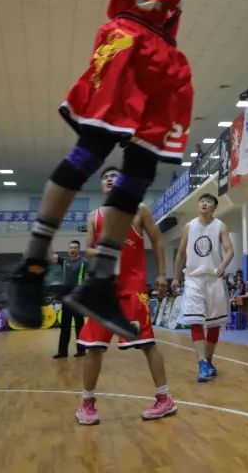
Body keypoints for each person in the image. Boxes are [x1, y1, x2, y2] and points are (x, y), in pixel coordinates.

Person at [5, 0, 217, 339]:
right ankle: (32, 264)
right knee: (92, 150)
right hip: (128, 39)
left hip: (167, 54)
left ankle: (100, 280)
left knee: (142, 170)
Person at [75, 168, 175, 425]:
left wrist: (162, 274)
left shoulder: (140, 210)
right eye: (105, 177)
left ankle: (165, 399)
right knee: (93, 348)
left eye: (115, 176)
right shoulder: (94, 216)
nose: (110, 179)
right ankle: (87, 404)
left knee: (147, 343)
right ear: (101, 185)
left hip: (133, 288)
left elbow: (157, 241)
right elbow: (88, 251)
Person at [173, 193, 233, 382]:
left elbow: (229, 250)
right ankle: (202, 363)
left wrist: (222, 265)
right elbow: (180, 253)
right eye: (202, 201)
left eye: (209, 202)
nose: (205, 204)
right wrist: (175, 277)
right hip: (193, 279)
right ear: (198, 205)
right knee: (196, 321)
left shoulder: (220, 226)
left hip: (214, 279)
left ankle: (208, 360)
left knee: (214, 324)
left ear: (214, 207)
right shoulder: (189, 226)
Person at [52, 239, 88, 359]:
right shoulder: (64, 261)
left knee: (80, 326)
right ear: (69, 250)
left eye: (75, 248)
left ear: (79, 250)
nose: (73, 250)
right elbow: (51, 256)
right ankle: (62, 352)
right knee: (65, 327)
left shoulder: (84, 262)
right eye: (71, 247)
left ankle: (81, 351)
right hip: (66, 299)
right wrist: (48, 240)